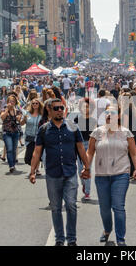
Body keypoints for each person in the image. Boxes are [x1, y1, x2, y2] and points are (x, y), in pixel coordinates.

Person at [29, 98, 91, 246]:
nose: (59, 111)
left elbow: (81, 149)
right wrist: (32, 171)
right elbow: (37, 153)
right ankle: (59, 239)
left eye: (61, 108)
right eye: (56, 108)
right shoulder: (44, 129)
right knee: (56, 208)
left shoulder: (73, 127)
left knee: (71, 205)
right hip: (52, 174)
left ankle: (72, 239)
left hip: (70, 172)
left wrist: (87, 167)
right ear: (49, 111)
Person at [86, 106, 136, 246]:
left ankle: (120, 238)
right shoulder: (97, 132)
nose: (110, 115)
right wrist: (86, 167)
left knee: (118, 206)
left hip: (121, 175)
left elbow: (134, 153)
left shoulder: (126, 133)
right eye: (107, 113)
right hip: (101, 176)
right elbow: (90, 152)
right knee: (104, 207)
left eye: (113, 113)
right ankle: (107, 229)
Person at [74, 98, 97, 201]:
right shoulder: (76, 119)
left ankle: (87, 192)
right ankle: (84, 183)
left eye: (87, 106)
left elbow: (96, 135)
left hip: (89, 145)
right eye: (83, 106)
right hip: (79, 146)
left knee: (87, 167)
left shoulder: (93, 121)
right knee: (79, 169)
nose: (85, 108)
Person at [1, 95, 23, 173]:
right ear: (7, 102)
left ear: (15, 102)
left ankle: (13, 163)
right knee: (9, 149)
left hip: (15, 132)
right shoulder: (4, 109)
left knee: (14, 149)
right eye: (10, 101)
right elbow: (2, 118)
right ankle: (11, 165)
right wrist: (7, 110)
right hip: (7, 132)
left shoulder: (17, 111)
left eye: (13, 101)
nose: (11, 103)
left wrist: (19, 118)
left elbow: (20, 120)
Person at [21, 98, 43, 172]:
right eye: (33, 103)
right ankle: (35, 167)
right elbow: (21, 123)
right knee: (27, 158)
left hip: (39, 137)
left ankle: (35, 170)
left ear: (39, 104)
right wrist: (23, 119)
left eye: (36, 103)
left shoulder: (42, 115)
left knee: (37, 154)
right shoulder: (27, 113)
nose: (34, 105)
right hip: (29, 137)